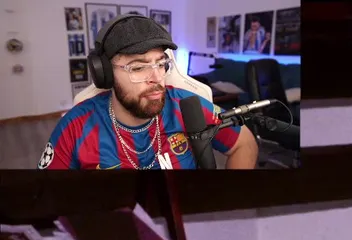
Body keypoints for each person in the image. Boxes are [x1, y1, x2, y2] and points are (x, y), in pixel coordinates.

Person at [40, 15, 258, 169]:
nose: (156, 78)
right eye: (137, 67)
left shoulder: (187, 106)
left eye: (160, 63)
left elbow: (244, 143)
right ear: (105, 74)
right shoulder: (75, 127)